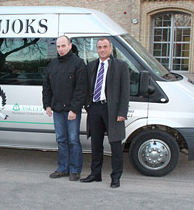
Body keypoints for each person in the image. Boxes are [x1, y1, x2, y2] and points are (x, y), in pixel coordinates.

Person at [80, 37, 130, 188]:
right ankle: (95, 174)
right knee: (96, 144)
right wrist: (87, 106)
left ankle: (116, 177)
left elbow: (125, 91)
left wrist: (122, 112)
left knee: (115, 144)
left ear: (110, 48)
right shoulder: (92, 65)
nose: (102, 49)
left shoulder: (121, 66)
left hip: (113, 110)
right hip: (95, 108)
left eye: (105, 47)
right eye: (99, 47)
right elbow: (86, 87)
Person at [42, 35, 87, 181]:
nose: (60, 49)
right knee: (61, 140)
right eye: (58, 46)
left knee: (73, 140)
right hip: (57, 110)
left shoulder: (78, 64)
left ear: (70, 45)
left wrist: (74, 109)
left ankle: (75, 170)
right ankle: (63, 168)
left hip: (71, 111)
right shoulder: (53, 64)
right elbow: (47, 87)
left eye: (63, 46)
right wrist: (47, 105)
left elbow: (81, 89)